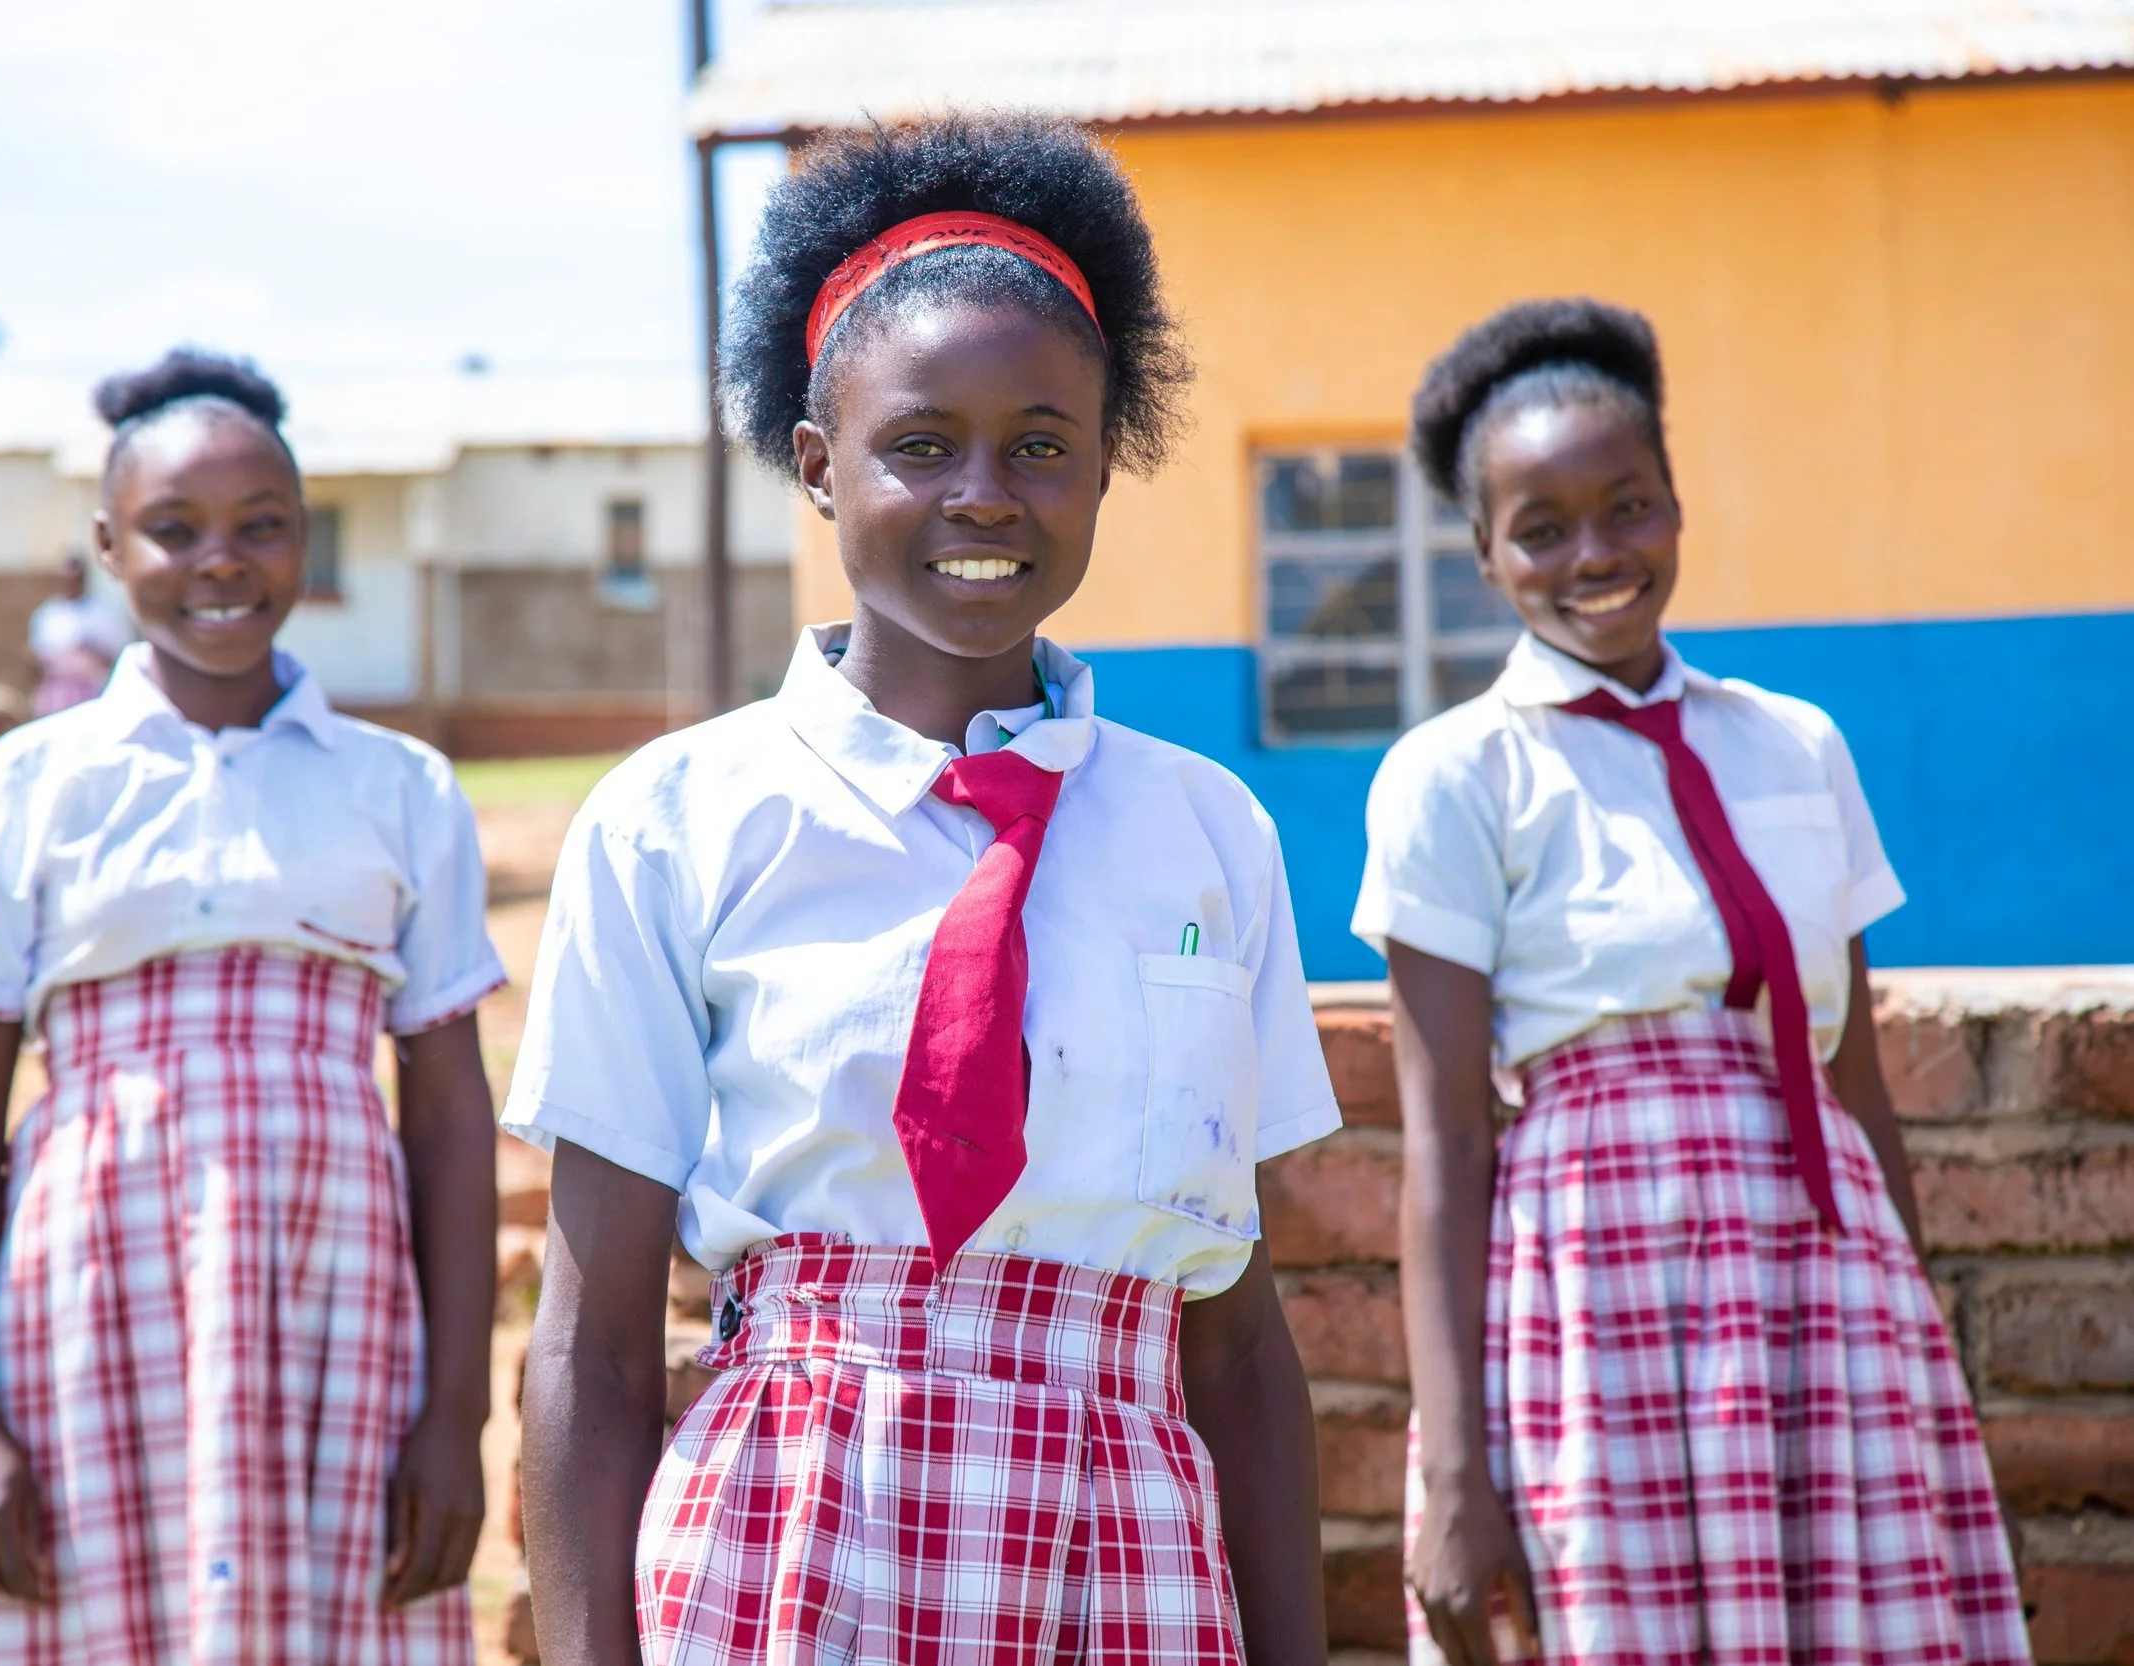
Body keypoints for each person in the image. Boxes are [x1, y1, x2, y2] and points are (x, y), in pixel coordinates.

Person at [508, 115, 1341, 1666]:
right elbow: (594, 1343)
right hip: (792, 1551)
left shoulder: (1210, 832)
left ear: (1105, 467)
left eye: (1042, 443)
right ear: (819, 468)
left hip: (1128, 1557)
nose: (985, 493)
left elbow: (1234, 1350)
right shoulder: (678, 820)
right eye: (921, 443)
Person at [1357, 299, 2030, 1666]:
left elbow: (1853, 1079)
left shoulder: (1797, 744)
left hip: (1823, 1296)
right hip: (1595, 1308)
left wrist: (1915, 1350)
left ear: (1676, 508)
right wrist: (1449, 1478)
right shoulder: (1454, 774)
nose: (1594, 553)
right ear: (1485, 555)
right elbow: (1442, 1141)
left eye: (1629, 506)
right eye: (1541, 527)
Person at [0, 350, 499, 1663]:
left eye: (261, 527)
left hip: (344, 1308)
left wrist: (453, 1418)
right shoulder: (33, 783)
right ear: (110, 546)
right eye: (175, 530)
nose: (220, 563)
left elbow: (452, 1120)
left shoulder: (398, 787)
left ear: (301, 536)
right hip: (86, 1306)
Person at [27, 552, 133, 716]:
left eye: (74, 578)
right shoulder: (47, 613)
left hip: (92, 690)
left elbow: (115, 654)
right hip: (56, 693)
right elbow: (37, 654)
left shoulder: (102, 611)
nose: (69, 583)